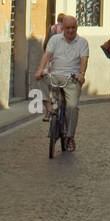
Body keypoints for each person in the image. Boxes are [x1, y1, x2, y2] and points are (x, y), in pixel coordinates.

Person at [34, 15, 88, 151]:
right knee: (38, 79)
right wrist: (40, 70)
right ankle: (48, 105)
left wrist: (81, 74)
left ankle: (70, 137)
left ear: (77, 28)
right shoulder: (55, 39)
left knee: (72, 107)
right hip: (55, 75)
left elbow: (83, 60)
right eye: (68, 28)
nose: (70, 30)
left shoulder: (82, 42)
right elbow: (47, 55)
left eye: (73, 28)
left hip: (72, 78)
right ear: (62, 28)